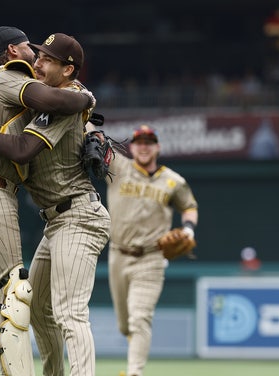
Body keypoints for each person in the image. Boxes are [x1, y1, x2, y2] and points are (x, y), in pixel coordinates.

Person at [0, 27, 96, 376]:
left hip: (77, 214)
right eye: (36, 52)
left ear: (68, 69)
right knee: (18, 296)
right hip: (18, 202)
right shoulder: (12, 79)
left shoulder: (52, 97)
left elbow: (26, 147)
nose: (39, 59)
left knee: (57, 309)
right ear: (13, 52)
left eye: (47, 57)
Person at [105, 125, 198, 376]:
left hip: (151, 258)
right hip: (117, 254)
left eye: (149, 142)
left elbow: (189, 206)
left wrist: (188, 230)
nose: (144, 146)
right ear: (132, 146)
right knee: (125, 325)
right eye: (139, 142)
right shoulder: (118, 166)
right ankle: (133, 356)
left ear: (157, 147)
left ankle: (135, 371)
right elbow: (93, 133)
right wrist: (81, 104)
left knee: (139, 318)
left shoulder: (173, 180)